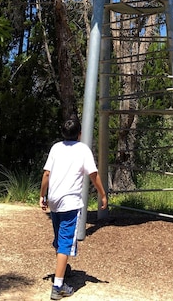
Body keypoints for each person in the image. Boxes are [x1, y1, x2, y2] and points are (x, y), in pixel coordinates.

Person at [40, 116, 107, 300]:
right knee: (65, 243)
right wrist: (102, 194)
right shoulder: (83, 150)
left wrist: (42, 195)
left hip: (54, 200)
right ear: (79, 134)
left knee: (59, 237)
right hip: (70, 202)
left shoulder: (56, 147)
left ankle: (63, 269)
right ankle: (58, 286)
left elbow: (47, 174)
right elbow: (93, 174)